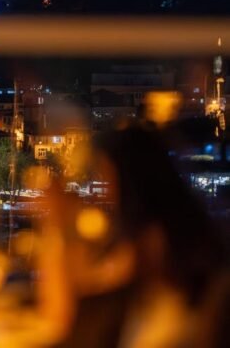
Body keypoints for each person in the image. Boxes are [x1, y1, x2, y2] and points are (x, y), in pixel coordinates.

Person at [38, 125, 228, 348]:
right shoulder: (176, 234)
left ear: (131, 182)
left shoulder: (153, 245)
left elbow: (65, 313)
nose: (104, 192)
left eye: (107, 177)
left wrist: (57, 224)